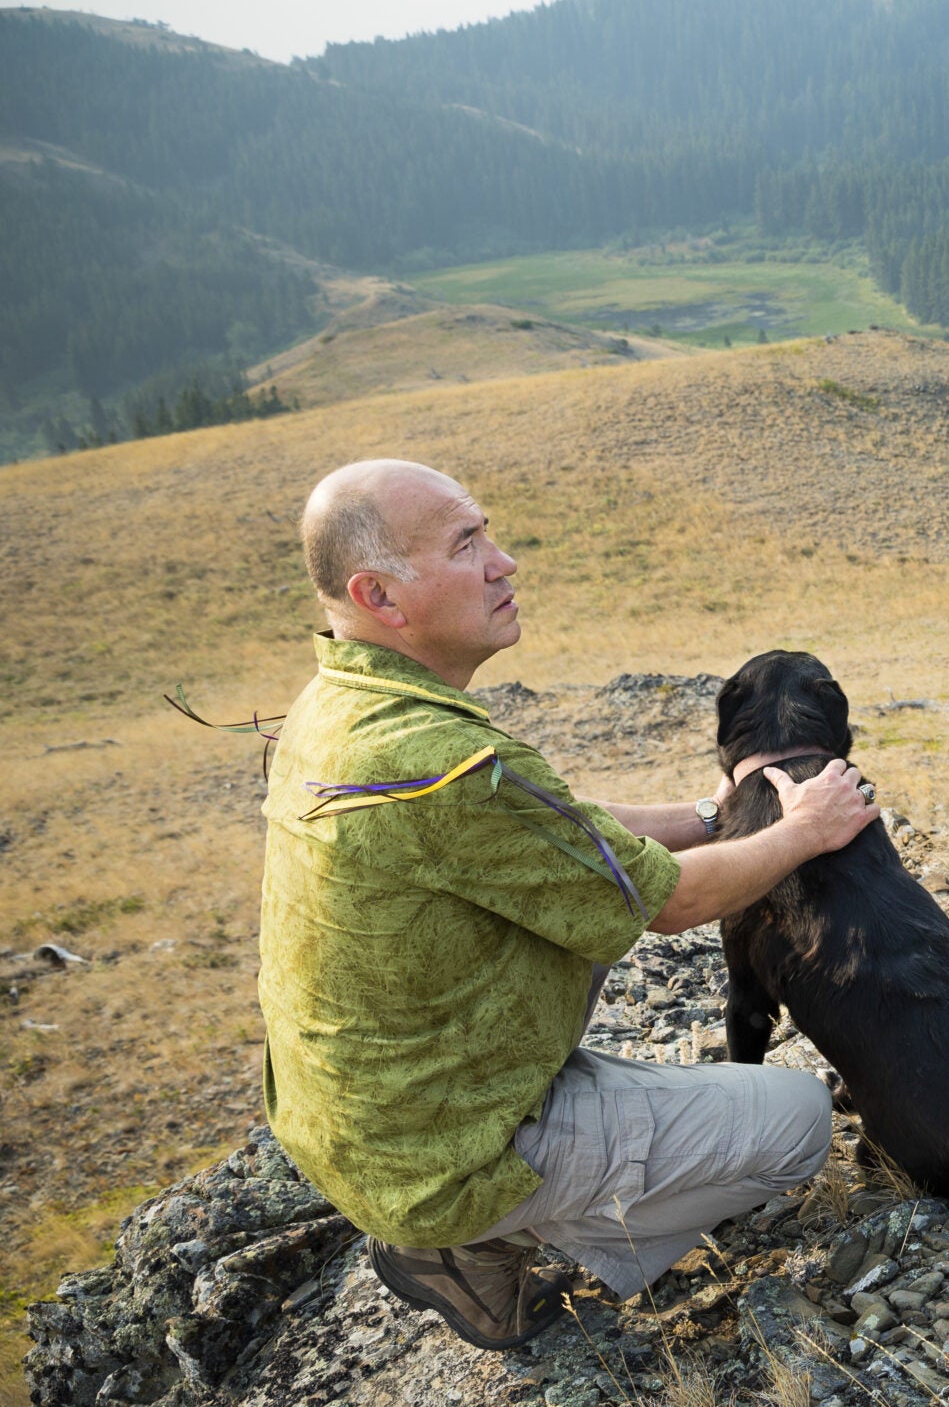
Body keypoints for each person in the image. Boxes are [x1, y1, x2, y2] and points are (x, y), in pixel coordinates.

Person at [258, 458, 878, 1349]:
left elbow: (560, 832)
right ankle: (477, 1243)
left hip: (378, 1116)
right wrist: (805, 830)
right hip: (442, 1153)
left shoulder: (346, 707)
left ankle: (497, 1204)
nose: (504, 563)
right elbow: (666, 905)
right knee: (797, 1125)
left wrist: (717, 813)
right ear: (381, 596)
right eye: (468, 544)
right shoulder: (440, 760)